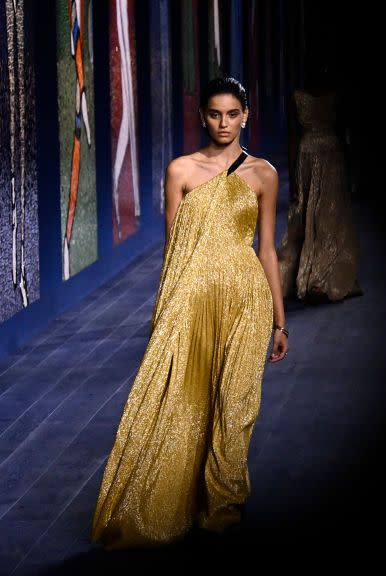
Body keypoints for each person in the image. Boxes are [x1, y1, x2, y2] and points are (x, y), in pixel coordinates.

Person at [91, 77, 288, 549]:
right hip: (192, 301)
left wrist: (280, 321)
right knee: (186, 399)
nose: (224, 123)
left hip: (246, 300)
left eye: (232, 114)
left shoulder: (264, 174)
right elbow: (174, 251)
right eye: (215, 114)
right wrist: (165, 313)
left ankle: (223, 510)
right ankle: (172, 503)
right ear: (202, 116)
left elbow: (267, 249)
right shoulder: (181, 170)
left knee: (236, 405)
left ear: (246, 115)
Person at [276, 59, 362, 302]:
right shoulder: (331, 96)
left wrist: (294, 177)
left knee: (315, 216)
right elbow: (343, 131)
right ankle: (318, 278)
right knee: (323, 217)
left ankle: (315, 278)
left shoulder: (298, 97)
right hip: (328, 156)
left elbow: (294, 138)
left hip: (310, 156)